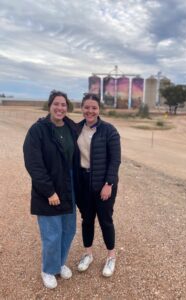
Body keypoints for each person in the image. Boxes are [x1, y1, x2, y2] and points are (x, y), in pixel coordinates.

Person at [23, 90, 79, 289]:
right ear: (50, 106)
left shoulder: (71, 127)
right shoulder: (38, 130)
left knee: (68, 229)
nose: (60, 108)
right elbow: (33, 164)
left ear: (67, 107)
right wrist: (49, 191)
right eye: (56, 104)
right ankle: (48, 269)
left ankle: (59, 263)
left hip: (68, 185)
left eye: (63, 104)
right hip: (48, 187)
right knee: (52, 232)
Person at [76, 93, 121, 277]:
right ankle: (88, 254)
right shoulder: (76, 128)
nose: (90, 111)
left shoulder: (109, 130)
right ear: (82, 108)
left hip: (104, 184)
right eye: (87, 107)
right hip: (83, 183)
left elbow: (115, 160)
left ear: (99, 109)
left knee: (105, 220)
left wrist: (108, 183)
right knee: (87, 220)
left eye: (94, 107)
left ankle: (111, 256)